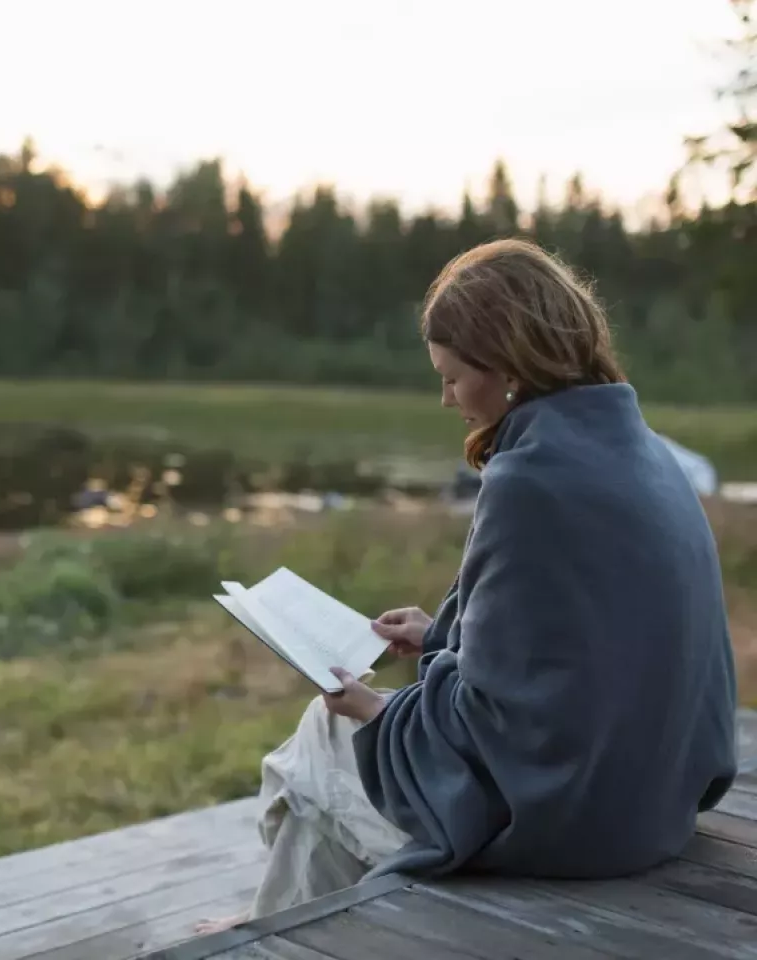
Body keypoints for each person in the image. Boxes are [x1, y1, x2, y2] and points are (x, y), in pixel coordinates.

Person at [196, 237, 739, 935]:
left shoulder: (529, 483)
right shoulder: (646, 454)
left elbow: (499, 720)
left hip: (579, 819)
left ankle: (280, 936)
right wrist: (445, 635)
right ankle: (287, 923)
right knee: (325, 766)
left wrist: (374, 710)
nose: (446, 396)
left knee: (319, 739)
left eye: (453, 377)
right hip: (654, 797)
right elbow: (572, 644)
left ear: (509, 365)